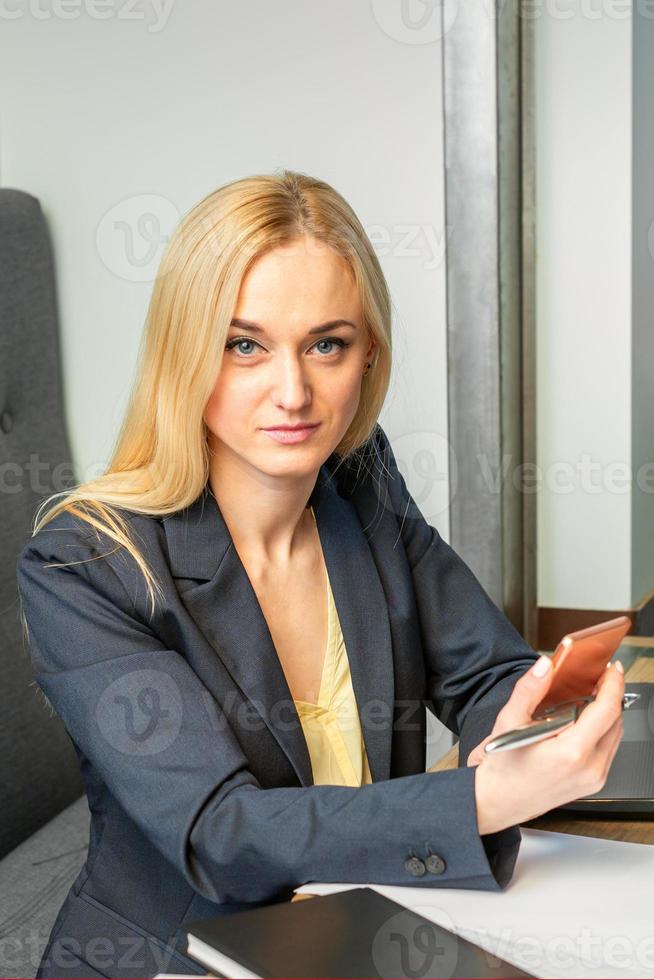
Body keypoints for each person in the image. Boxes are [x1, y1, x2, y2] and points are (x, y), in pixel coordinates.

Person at [16, 170, 625, 979]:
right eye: (245, 345)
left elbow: (489, 673)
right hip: (177, 959)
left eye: (326, 345)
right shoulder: (86, 563)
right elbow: (220, 836)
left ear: (367, 354)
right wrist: (482, 800)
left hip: (366, 934)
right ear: (184, 353)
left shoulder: (358, 480)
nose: (294, 392)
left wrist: (524, 729)